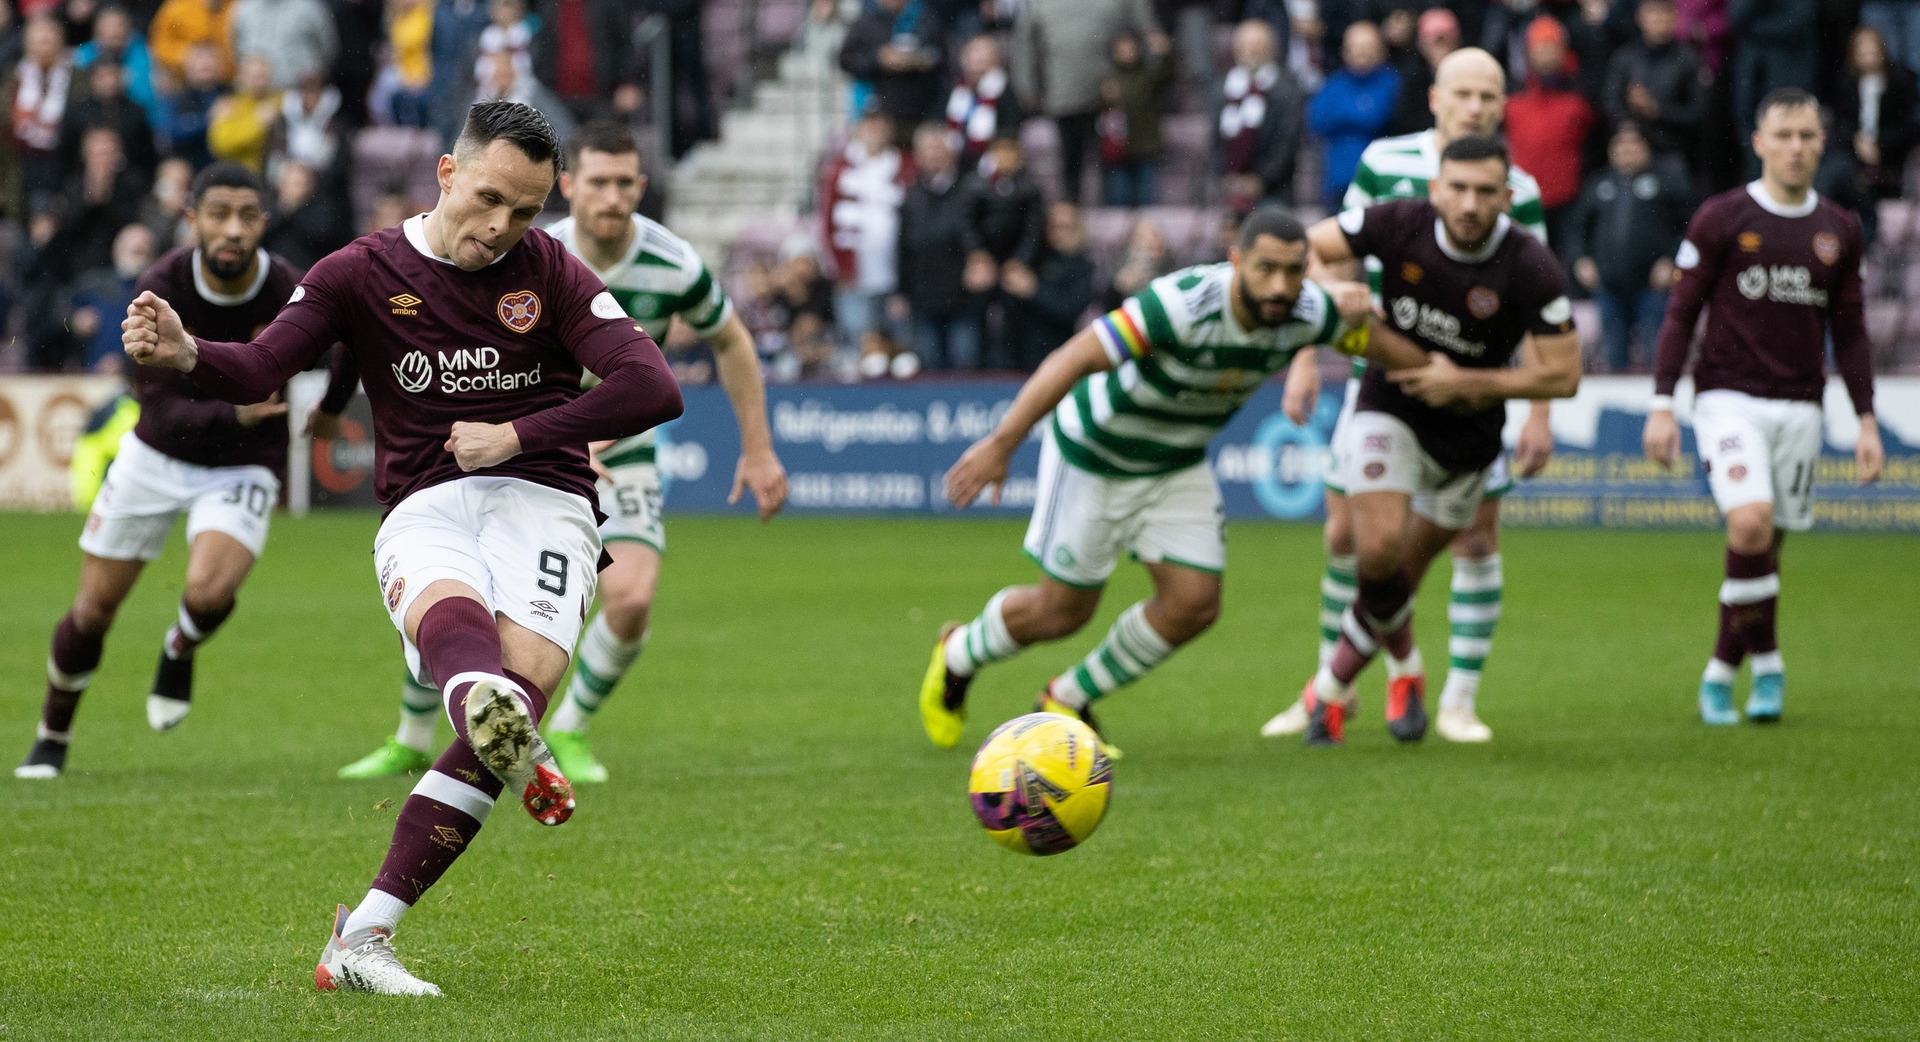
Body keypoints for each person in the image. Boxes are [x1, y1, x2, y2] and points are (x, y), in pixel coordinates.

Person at [119, 101, 683, 995]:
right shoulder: (360, 270)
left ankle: (366, 932)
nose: (503, 229)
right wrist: (190, 354)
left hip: (549, 498)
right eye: (491, 198)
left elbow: (652, 384)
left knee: (519, 685)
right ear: (447, 174)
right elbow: (266, 367)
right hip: (424, 501)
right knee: (467, 647)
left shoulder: (551, 269)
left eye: (528, 211)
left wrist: (518, 431)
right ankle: (482, 711)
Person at [338, 120, 789, 783]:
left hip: (620, 446)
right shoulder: (527, 249)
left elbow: (731, 340)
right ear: (568, 187)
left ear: (641, 187)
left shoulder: (674, 264)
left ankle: (569, 728)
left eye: (625, 184)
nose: (612, 198)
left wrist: (758, 449)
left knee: (631, 601)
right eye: (598, 183)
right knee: (460, 598)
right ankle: (410, 735)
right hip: (526, 446)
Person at [917, 207, 1389, 756]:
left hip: (1176, 462)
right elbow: (1074, 357)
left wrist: (1459, 375)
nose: (1279, 285)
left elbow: (1386, 348)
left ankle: (1065, 699)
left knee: (1194, 603)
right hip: (1096, 454)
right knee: (1062, 613)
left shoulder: (1306, 312)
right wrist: (1002, 444)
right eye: (1264, 269)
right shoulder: (1181, 303)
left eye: (1292, 271)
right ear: (1235, 260)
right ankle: (957, 654)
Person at [1264, 47, 1553, 744]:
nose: (1477, 105)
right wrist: (1304, 358)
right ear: (1436, 98)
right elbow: (1328, 261)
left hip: (1474, 396)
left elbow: (1538, 302)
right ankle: (1358, 681)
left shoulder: (1522, 189)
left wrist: (1540, 410)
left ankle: (1457, 699)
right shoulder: (1384, 164)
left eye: (1490, 94)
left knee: (1475, 538)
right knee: (1349, 535)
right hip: (1388, 382)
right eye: (1465, 93)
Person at [16, 163, 303, 778]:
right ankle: (51, 735)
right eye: (218, 215)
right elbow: (161, 408)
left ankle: (180, 645)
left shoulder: (287, 287)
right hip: (155, 456)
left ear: (264, 223)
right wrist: (238, 412)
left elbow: (350, 341)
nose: (232, 230)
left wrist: (331, 411)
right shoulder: (160, 284)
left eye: (246, 216)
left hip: (242, 464)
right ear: (191, 218)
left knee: (208, 591)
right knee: (93, 610)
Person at [1641, 88, 1881, 726]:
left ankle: (1721, 668)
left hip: (1802, 406)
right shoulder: (1721, 218)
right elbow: (1681, 314)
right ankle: (1763, 665)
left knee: (1764, 551)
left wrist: (1865, 419)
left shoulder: (1840, 229)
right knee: (1749, 526)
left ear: (1822, 143)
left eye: (1807, 135)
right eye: (1784, 135)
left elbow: (1851, 331)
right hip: (1727, 400)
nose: (1796, 148)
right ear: (1759, 142)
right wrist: (1663, 403)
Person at [1568, 122, 1692, 371]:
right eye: (1620, 143)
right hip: (1609, 286)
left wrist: (1672, 260)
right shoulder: (1598, 183)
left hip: (1654, 286)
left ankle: (1659, 404)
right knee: (1614, 358)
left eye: (1633, 142)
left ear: (1646, 147)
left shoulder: (1668, 181)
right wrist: (1580, 260)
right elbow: (1577, 229)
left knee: (1658, 355)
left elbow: (1689, 227)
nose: (1626, 149)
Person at [1012, 0, 1163, 203]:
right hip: (1064, 94)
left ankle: (1113, 216)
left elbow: (1148, 30)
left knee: (1115, 160)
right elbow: (1024, 44)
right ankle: (1074, 213)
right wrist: (1026, 88)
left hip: (1109, 95)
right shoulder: (1040, 5)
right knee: (1073, 162)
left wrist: (1148, 67)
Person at [1504, 16, 1594, 256]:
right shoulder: (1513, 95)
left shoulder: (1580, 95)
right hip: (1525, 199)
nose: (1545, 54)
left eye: (1550, 47)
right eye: (1539, 47)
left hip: (1568, 202)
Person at [896, 122, 982, 370]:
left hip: (963, 300)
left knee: (965, 366)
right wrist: (901, 291)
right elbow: (903, 248)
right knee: (930, 369)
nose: (933, 157)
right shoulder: (911, 196)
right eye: (927, 151)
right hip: (923, 300)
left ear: (951, 154)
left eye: (939, 150)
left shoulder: (970, 190)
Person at [1213, 18, 1309, 211]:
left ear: (1271, 49)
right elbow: (1215, 138)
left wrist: (1260, 180)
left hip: (1274, 191)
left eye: (1257, 45)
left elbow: (1287, 142)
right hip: (1231, 190)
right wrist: (1227, 176)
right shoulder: (1223, 88)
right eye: (1245, 46)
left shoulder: (1287, 89)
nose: (1251, 51)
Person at [1602, 0, 1709, 164]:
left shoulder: (1689, 59)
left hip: (1674, 150)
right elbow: (1610, 102)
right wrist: (1629, 127)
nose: (1657, 19)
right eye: (1652, 12)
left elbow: (1698, 113)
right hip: (1631, 149)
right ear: (1640, 17)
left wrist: (1658, 110)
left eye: (1663, 12)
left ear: (1674, 17)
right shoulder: (1624, 58)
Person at [1308, 21, 1401, 208]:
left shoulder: (1392, 82)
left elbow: (1376, 117)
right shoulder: (1334, 83)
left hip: (1378, 182)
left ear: (1381, 50)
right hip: (1337, 182)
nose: (1361, 54)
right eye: (1356, 48)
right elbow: (1316, 119)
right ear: (1345, 51)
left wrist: (1342, 116)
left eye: (1367, 48)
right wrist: (1358, 113)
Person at [1833, 25, 1920, 201]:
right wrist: (1858, 142)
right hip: (1854, 158)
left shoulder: (1900, 81)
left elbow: (1909, 126)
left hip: (1893, 157)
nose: (1868, 55)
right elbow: (1841, 124)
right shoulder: (1846, 84)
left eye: (1872, 49)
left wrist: (1879, 144)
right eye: (1862, 50)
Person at [1005, 199, 1094, 368]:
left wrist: (1034, 290)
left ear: (1078, 229)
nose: (1058, 232)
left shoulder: (1083, 267)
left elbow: (1069, 310)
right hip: (1019, 356)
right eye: (1053, 226)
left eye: (1065, 226)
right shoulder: (1032, 258)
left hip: (1058, 355)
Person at [839, 0, 944, 138]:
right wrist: (878, 59)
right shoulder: (865, 22)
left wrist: (919, 60)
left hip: (919, 112)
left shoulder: (925, 17)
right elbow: (846, 61)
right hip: (876, 114)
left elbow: (942, 55)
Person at [1097, 29, 1174, 207]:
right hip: (1116, 151)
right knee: (1118, 200)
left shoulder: (1148, 74)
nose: (1126, 53)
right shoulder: (1107, 78)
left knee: (1147, 202)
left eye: (1129, 48)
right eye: (1121, 49)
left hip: (1146, 148)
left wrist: (1165, 55)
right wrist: (1103, 97)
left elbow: (1168, 74)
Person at [944, 34, 1020, 174]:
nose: (978, 61)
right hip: (956, 158)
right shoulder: (954, 89)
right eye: (973, 54)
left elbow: (1009, 132)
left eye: (984, 56)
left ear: (996, 61)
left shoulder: (1005, 92)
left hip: (990, 156)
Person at [230, 0, 338, 88]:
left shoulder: (311, 8)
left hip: (298, 98)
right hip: (252, 99)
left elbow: (328, 50)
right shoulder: (243, 9)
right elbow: (236, 52)